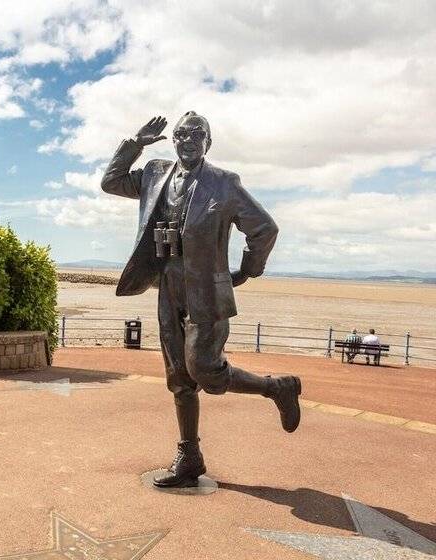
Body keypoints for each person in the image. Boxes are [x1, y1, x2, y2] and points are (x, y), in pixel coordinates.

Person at [101, 113, 301, 488]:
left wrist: (246, 270)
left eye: (197, 134)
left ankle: (277, 387)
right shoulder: (154, 173)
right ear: (173, 140)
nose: (187, 139)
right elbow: (111, 182)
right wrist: (136, 143)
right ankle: (189, 458)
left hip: (206, 291)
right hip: (168, 286)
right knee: (179, 378)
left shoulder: (224, 183)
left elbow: (264, 228)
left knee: (205, 370)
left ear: (208, 142)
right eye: (181, 134)